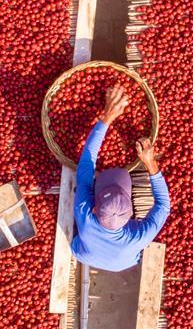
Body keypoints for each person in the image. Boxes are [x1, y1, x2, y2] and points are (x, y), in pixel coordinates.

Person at [70, 83, 171, 272]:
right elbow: (163, 205)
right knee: (131, 256)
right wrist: (150, 162)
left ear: (94, 207)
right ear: (132, 214)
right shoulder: (138, 237)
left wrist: (107, 117)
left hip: (84, 253)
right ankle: (104, 180)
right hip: (121, 264)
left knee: (76, 245)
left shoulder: (83, 214)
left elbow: (86, 161)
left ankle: (102, 180)